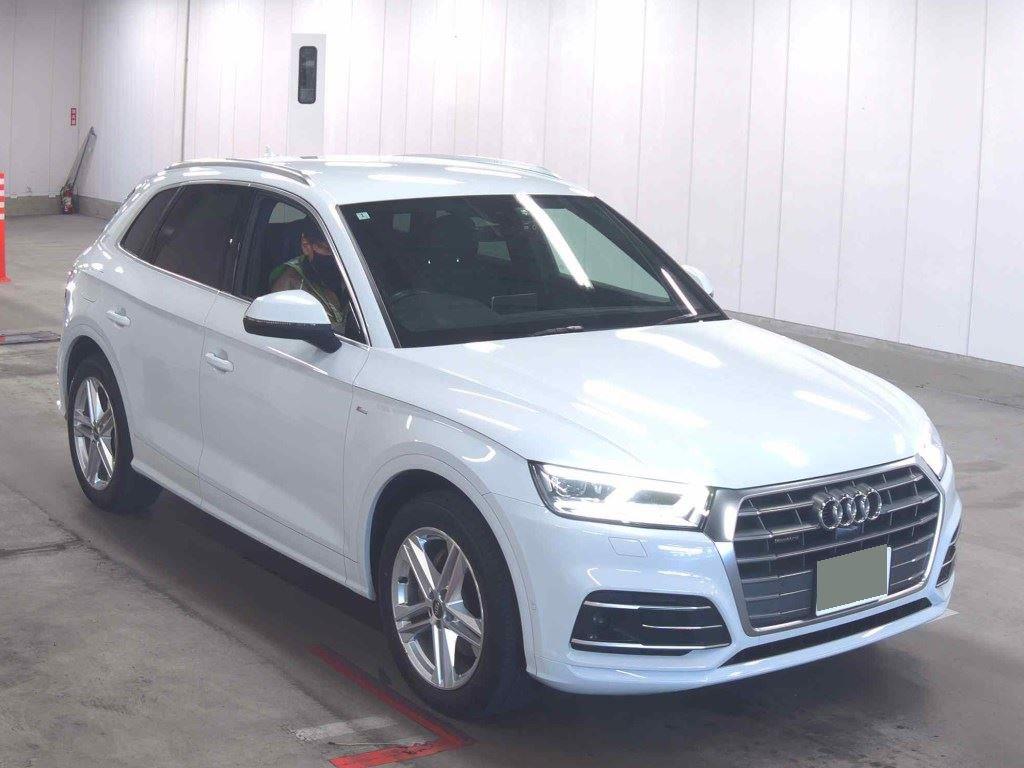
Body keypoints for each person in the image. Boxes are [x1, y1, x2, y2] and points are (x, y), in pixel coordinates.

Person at [269, 225, 351, 329]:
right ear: (306, 245)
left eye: (340, 250)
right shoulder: (289, 284)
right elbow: (280, 328)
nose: (335, 256)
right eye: (326, 248)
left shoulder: (357, 270)